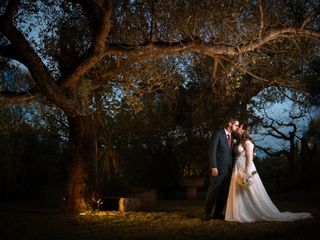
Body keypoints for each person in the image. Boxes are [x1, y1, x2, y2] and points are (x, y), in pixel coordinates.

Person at [225, 125, 313, 222]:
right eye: (239, 131)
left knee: (248, 191)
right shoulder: (239, 142)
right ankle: (238, 212)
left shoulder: (248, 143)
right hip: (237, 168)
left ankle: (249, 211)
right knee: (238, 190)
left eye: (241, 131)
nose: (239, 132)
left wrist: (247, 172)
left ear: (246, 132)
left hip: (245, 168)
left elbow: (250, 159)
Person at [203, 117, 240, 220]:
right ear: (229, 124)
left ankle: (218, 213)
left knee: (223, 193)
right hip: (218, 169)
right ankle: (207, 213)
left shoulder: (233, 137)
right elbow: (212, 151)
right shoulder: (218, 134)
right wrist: (213, 166)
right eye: (236, 125)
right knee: (213, 192)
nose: (237, 127)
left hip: (228, 170)